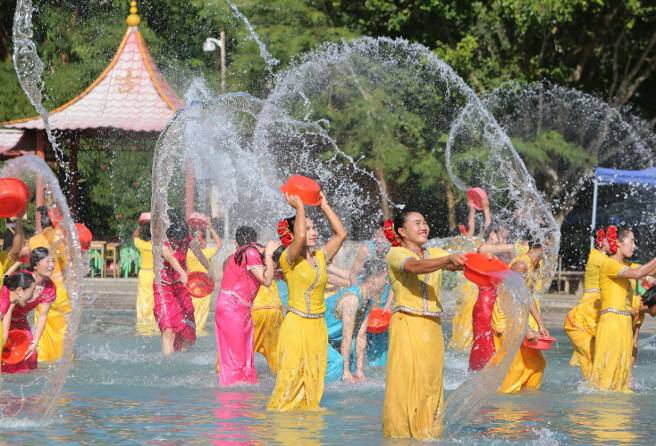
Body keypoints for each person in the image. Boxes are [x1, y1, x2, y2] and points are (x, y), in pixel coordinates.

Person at [381, 210, 465, 439]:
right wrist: (448, 260)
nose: (423, 226)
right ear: (401, 231)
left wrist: (472, 261)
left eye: (425, 222)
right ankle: (400, 436)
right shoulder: (396, 253)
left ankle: (428, 434)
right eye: (417, 223)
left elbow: (455, 261)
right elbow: (415, 267)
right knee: (406, 382)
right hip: (407, 324)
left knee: (432, 383)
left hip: (432, 328)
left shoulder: (435, 252)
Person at [267, 192, 346, 411]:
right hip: (296, 324)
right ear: (291, 235)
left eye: (314, 228)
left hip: (317, 327)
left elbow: (340, 234)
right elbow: (299, 239)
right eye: (307, 228)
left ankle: (306, 427)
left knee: (314, 377)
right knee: (290, 378)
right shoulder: (288, 259)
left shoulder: (320, 257)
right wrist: (300, 209)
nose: (312, 232)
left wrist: (325, 206)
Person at [589, 227, 656, 392]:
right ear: (618, 242)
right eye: (632, 241)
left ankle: (618, 413)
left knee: (622, 376)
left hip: (625, 323)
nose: (635, 246)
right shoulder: (609, 263)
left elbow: (650, 271)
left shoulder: (626, 265)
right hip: (611, 322)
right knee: (607, 376)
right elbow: (638, 273)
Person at [215, 226, 277, 386]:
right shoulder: (249, 252)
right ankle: (234, 394)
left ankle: (242, 387)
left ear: (236, 243)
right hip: (232, 307)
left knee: (243, 353)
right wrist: (269, 255)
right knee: (237, 355)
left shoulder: (240, 254)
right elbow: (267, 281)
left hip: (235, 307)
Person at [491, 242, 549, 394]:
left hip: (519, 319)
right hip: (506, 319)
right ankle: (504, 407)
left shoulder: (537, 264)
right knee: (516, 367)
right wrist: (526, 328)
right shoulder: (521, 265)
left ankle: (525, 400)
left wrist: (540, 324)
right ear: (544, 243)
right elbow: (508, 297)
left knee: (537, 364)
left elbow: (527, 296)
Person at [153, 210, 213, 355]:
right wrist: (182, 272)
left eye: (181, 240)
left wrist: (209, 268)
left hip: (181, 288)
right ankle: (167, 364)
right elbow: (171, 258)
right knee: (168, 329)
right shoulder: (161, 241)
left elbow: (198, 252)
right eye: (175, 240)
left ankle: (182, 362)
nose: (178, 243)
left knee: (187, 333)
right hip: (164, 288)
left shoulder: (185, 237)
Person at [325, 262, 389, 383]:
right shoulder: (352, 299)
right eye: (385, 278)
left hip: (333, 340)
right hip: (318, 337)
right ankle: (326, 392)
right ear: (373, 278)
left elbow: (361, 335)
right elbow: (347, 336)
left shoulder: (367, 300)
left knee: (353, 356)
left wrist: (359, 371)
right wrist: (346, 372)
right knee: (338, 363)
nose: (386, 283)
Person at [469, 225, 516, 371]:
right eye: (499, 234)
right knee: (483, 341)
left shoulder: (503, 256)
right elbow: (483, 249)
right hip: (485, 303)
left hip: (500, 303)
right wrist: (512, 246)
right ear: (490, 233)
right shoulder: (484, 250)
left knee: (499, 342)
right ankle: (479, 372)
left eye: (505, 236)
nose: (502, 239)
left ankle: (495, 372)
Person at [564, 228, 609, 380]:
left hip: (594, 304)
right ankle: (592, 381)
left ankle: (594, 380)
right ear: (602, 241)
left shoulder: (599, 256)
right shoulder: (598, 257)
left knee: (596, 348)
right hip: (590, 306)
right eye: (611, 241)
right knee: (591, 349)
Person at [2, 250, 56, 373]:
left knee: (30, 357)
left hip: (21, 322)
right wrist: (5, 336)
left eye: (53, 261)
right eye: (47, 261)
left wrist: (35, 342)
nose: (52, 265)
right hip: (4, 318)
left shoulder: (50, 288)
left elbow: (42, 316)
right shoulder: (23, 279)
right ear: (36, 265)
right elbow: (8, 303)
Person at [29, 206, 70, 362]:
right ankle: (65, 357)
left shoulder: (34, 241)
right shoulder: (61, 237)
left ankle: (43, 356)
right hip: (62, 290)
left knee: (43, 325)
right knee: (63, 330)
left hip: (43, 289)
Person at [187, 222, 222, 336]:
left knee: (190, 308)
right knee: (202, 309)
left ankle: (190, 329)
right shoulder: (206, 252)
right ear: (202, 244)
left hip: (190, 285)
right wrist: (211, 228)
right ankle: (199, 329)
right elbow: (219, 243)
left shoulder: (188, 253)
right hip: (204, 286)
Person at [133, 216, 157, 335]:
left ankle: (143, 320)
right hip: (155, 274)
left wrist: (139, 224)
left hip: (144, 273)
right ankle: (154, 320)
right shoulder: (157, 247)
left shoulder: (142, 245)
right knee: (154, 297)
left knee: (143, 297)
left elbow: (135, 237)